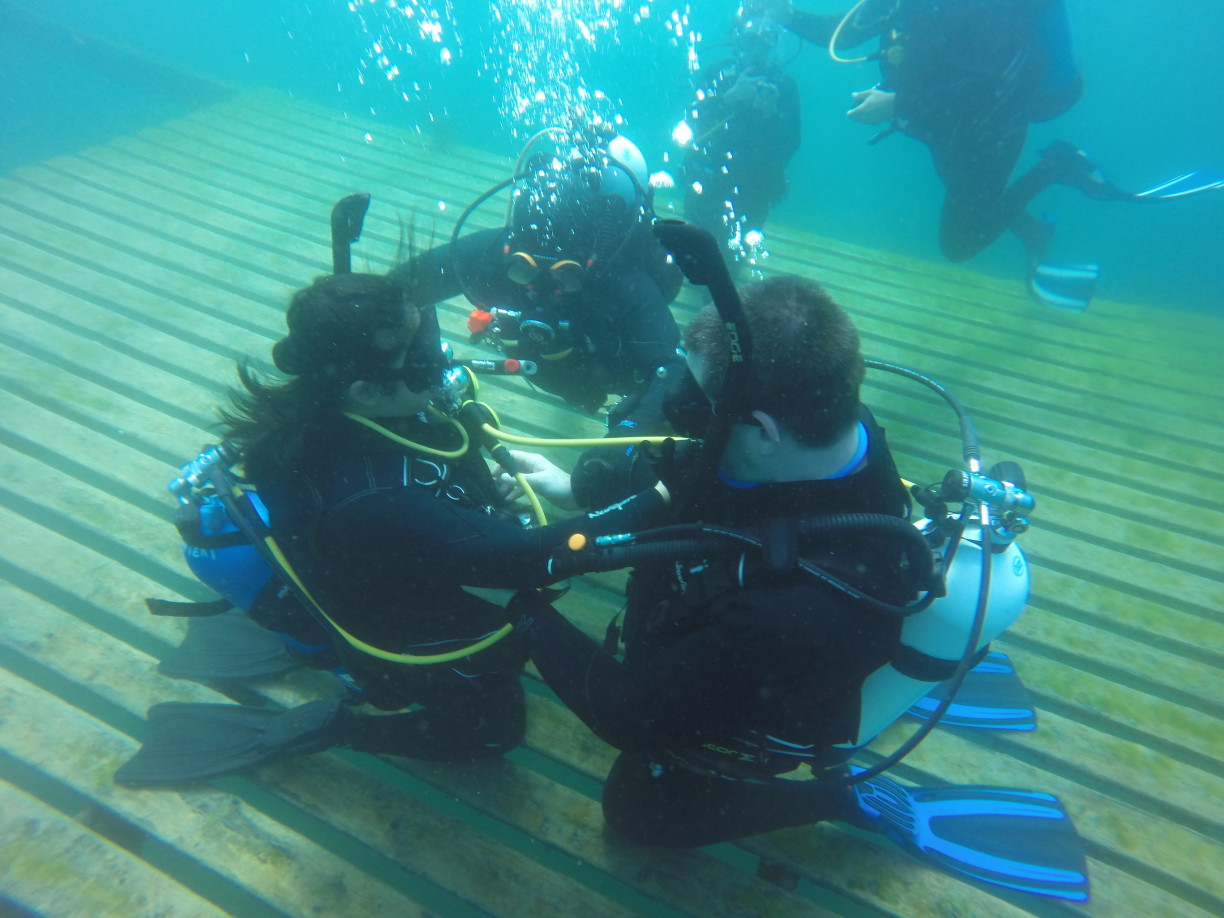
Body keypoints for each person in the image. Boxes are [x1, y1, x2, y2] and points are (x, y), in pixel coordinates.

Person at [505, 249, 1089, 901]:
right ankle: (917, 671)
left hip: (772, 698)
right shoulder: (828, 430)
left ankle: (839, 797)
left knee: (639, 812)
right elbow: (690, 473)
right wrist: (574, 488)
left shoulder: (799, 610)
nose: (678, 408)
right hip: (778, 635)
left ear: (761, 430)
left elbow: (629, 715)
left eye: (697, 403)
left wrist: (522, 612)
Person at [114, 272, 669, 787]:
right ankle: (339, 726)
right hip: (406, 633)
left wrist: (473, 495)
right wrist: (666, 495)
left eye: (428, 332)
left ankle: (302, 631)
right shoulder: (370, 496)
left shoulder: (349, 406)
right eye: (422, 356)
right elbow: (531, 557)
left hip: (395, 564)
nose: (441, 356)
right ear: (367, 389)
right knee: (495, 733)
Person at [759, 0, 1111, 310]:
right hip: (939, 125)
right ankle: (1034, 230)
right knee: (972, 200)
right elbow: (844, 34)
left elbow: (994, 85)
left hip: (990, 133)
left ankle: (1054, 168)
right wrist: (787, 15)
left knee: (959, 243)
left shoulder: (988, 7)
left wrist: (899, 102)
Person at [395, 129, 685, 415]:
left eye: (565, 274)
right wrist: (422, 351)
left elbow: (671, 376)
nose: (544, 285)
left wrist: (632, 427)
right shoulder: (497, 254)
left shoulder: (622, 282)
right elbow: (401, 289)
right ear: (512, 248)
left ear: (590, 266)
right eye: (524, 269)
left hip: (610, 376)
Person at [679, 10, 802, 258]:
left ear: (775, 45)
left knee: (734, 260)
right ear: (737, 41)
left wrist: (771, 115)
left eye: (765, 43)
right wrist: (727, 99)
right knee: (690, 255)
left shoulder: (785, 88)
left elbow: (791, 145)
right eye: (749, 42)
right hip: (707, 180)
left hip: (755, 189)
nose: (756, 52)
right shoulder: (715, 76)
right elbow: (689, 128)